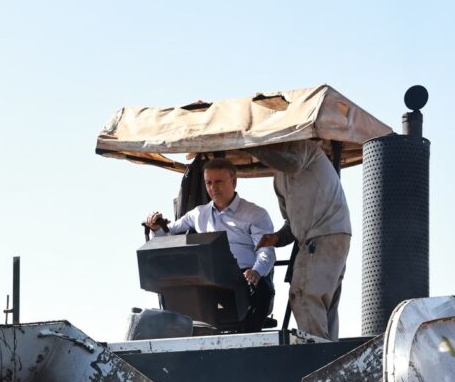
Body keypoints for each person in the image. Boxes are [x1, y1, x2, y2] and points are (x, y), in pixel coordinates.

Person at [145, 158, 275, 331]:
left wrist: (256, 272)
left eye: (219, 182)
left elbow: (266, 252)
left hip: (242, 278)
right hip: (208, 281)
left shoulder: (255, 214)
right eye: (209, 183)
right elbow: (168, 234)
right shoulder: (198, 214)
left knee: (262, 290)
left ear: (234, 181)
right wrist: (156, 227)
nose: (213, 188)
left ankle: (248, 339)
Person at [253, 140, 351, 341]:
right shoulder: (278, 179)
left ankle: (317, 357)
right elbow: (291, 223)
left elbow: (293, 163)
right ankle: (330, 354)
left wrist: (248, 145)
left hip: (324, 236)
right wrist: (276, 238)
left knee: (304, 295)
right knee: (322, 302)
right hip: (321, 238)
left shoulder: (306, 149)